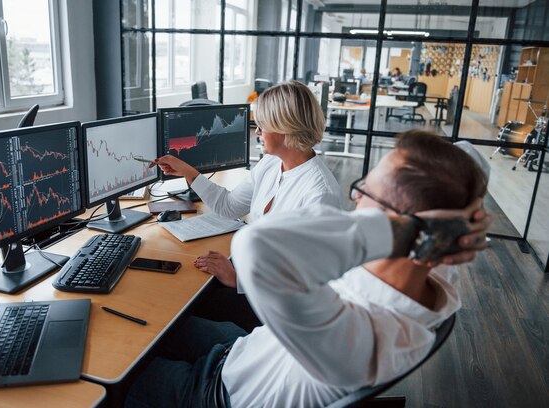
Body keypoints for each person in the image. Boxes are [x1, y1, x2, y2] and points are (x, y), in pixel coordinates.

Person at [126, 130, 491, 407]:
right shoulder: (431, 271)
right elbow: (469, 162)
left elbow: (258, 248)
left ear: (399, 228)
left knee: (116, 375)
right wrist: (453, 219)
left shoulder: (357, 341)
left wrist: (404, 229)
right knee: (148, 321)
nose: (356, 195)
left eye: (367, 189)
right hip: (244, 350)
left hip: (216, 392)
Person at [152, 80, 342, 288]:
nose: (257, 132)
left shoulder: (320, 194)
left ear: (286, 127)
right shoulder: (271, 163)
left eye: (262, 125)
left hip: (271, 300)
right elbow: (229, 206)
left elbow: (307, 278)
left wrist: (237, 280)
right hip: (254, 271)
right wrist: (188, 172)